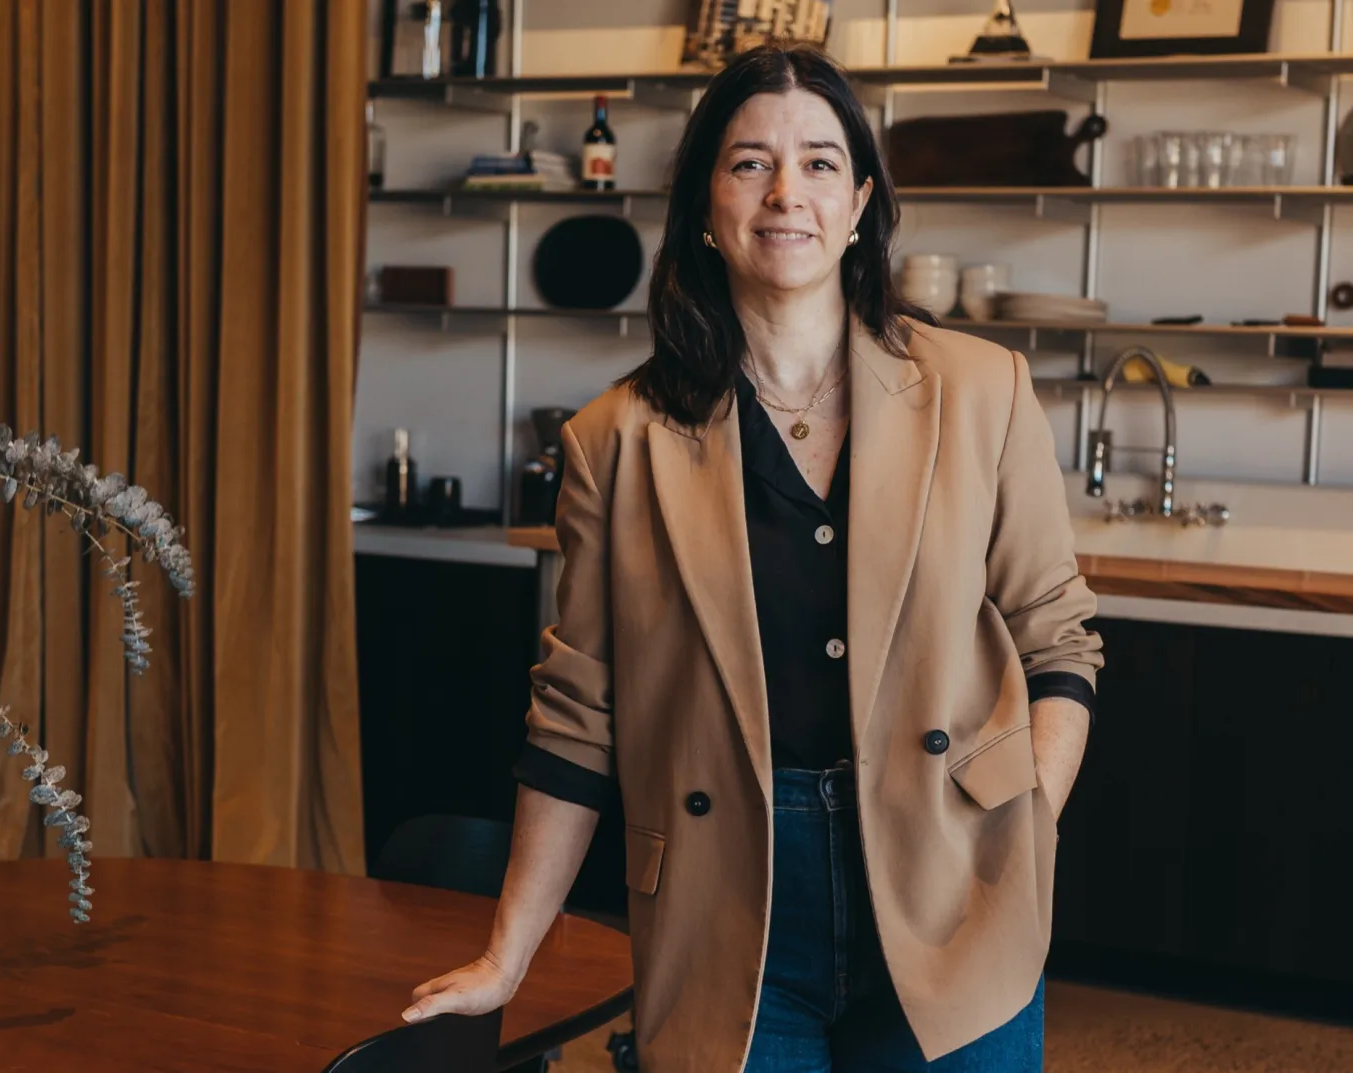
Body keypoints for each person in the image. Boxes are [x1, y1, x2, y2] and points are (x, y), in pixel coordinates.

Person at [403, 42, 1104, 1073]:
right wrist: (507, 955)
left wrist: (1025, 825)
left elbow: (1057, 635)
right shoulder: (615, 440)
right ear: (703, 206)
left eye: (821, 163)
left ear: (862, 202)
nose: (788, 193)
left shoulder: (983, 388)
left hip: (954, 877)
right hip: (723, 898)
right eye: (749, 163)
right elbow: (575, 714)